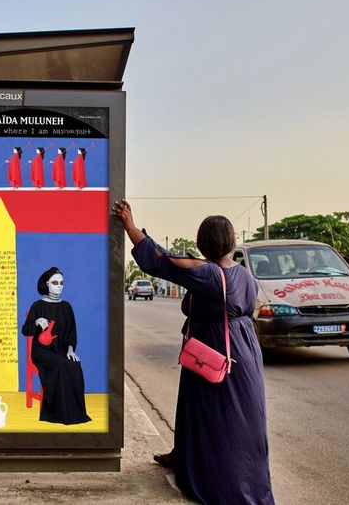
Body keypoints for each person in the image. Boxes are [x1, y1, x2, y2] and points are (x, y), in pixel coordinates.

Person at [112, 200, 275, 504]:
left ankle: (225, 482)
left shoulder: (209, 275)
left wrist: (130, 226)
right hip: (243, 351)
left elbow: (160, 260)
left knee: (217, 415)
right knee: (220, 411)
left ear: (203, 243)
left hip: (216, 351)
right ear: (231, 242)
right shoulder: (245, 275)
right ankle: (184, 456)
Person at [21, 267, 91, 425]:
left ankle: (75, 412)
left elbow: (71, 333)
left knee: (74, 364)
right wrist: (37, 322)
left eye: (61, 282)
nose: (59, 285)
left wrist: (71, 350)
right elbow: (25, 330)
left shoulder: (67, 307)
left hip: (61, 350)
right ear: (47, 284)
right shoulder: (38, 306)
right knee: (61, 365)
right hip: (41, 352)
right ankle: (56, 413)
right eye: (55, 282)